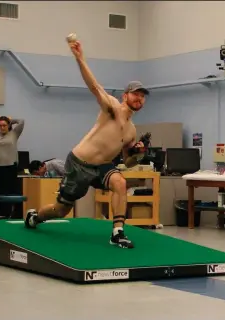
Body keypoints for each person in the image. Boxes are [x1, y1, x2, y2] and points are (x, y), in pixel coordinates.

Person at [25, 38, 149, 249]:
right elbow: (94, 87)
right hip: (79, 163)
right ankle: (35, 217)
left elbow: (127, 162)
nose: (139, 98)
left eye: (143, 95)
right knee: (62, 209)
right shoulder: (112, 108)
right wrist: (80, 58)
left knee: (120, 182)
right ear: (125, 95)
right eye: (135, 94)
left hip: (102, 168)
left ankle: (117, 233)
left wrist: (138, 154)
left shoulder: (131, 131)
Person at [0, 115, 25, 219]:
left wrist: (11, 120)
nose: (2, 127)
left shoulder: (14, 134)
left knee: (12, 190)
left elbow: (21, 121)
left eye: (4, 125)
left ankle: (16, 213)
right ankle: (3, 213)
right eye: (0, 125)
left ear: (8, 125)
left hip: (10, 167)